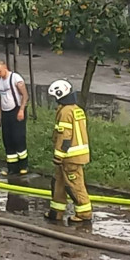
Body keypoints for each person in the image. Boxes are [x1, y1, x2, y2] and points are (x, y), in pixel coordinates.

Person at [45, 80, 92, 223]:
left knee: (75, 185)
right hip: (74, 154)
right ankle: (56, 211)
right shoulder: (76, 109)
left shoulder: (65, 112)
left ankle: (84, 213)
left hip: (70, 156)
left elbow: (64, 136)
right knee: (58, 182)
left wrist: (59, 155)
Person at [0, 60, 29, 177]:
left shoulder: (15, 78)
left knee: (18, 138)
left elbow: (25, 95)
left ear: (5, 68)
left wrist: (21, 110)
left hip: (17, 110)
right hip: (5, 112)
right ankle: (12, 168)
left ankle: (23, 165)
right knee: (7, 139)